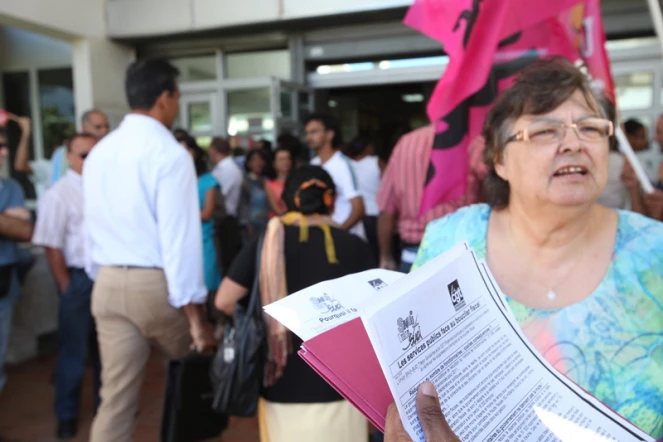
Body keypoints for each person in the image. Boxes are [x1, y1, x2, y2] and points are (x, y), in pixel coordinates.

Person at [412, 58, 663, 438]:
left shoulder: (653, 253)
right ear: (499, 159)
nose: (574, 144)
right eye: (546, 131)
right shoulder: (450, 243)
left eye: (591, 128)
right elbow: (410, 381)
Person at [83, 59, 215, 442]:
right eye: (177, 96)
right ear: (164, 99)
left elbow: (88, 227)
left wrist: (104, 277)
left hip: (107, 283)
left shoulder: (101, 151)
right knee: (197, 379)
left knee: (116, 400)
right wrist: (196, 319)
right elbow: (179, 242)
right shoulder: (170, 154)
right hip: (155, 287)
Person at [215, 166, 375, 442]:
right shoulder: (355, 245)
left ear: (285, 200)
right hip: (346, 388)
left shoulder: (266, 244)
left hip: (281, 382)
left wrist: (267, 324)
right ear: (331, 201)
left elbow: (225, 301)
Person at [31, 133, 101, 440]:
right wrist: (66, 285)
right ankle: (67, 415)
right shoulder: (58, 194)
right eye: (84, 155)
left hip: (105, 277)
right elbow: (51, 244)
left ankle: (105, 407)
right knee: (73, 351)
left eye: (94, 154)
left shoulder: (104, 189)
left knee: (106, 351)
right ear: (69, 158)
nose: (90, 160)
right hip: (77, 278)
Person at [376, 127, 486, 274]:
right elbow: (495, 199)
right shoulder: (475, 143)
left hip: (412, 257)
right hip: (461, 257)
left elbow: (387, 209)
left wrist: (386, 257)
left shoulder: (406, 143)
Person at [0, 125, 33, 396]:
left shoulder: (9, 187)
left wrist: (12, 223)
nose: (4, 152)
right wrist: (7, 218)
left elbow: (23, 230)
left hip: (3, 280)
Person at [305, 113, 366, 240]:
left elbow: (359, 208)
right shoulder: (313, 165)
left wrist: (339, 233)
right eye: (307, 133)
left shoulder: (343, 165)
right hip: (324, 238)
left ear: (330, 135)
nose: (309, 137)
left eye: (314, 132)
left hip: (346, 238)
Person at [177, 134, 222, 293]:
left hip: (202, 239)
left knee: (206, 284)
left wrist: (179, 210)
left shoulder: (206, 180)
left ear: (194, 152)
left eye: (187, 149)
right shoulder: (171, 179)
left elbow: (207, 213)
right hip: (178, 241)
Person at [209, 137, 245, 274]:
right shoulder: (224, 168)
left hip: (226, 221)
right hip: (223, 220)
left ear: (213, 150)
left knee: (226, 263)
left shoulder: (228, 169)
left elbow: (219, 195)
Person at [49, 110, 110, 187]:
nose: (104, 131)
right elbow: (57, 185)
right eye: (98, 127)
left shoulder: (110, 150)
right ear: (84, 128)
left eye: (107, 126)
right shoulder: (64, 152)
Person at [345, 136, 381, 262]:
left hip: (356, 215)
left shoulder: (347, 164)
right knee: (377, 253)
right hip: (376, 214)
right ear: (368, 148)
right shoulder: (376, 162)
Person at [243, 149, 283, 239]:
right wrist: (247, 225)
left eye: (260, 160)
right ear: (248, 163)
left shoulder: (269, 180)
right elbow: (243, 205)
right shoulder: (245, 182)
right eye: (254, 160)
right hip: (253, 225)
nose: (258, 163)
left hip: (269, 223)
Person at [266, 147, 293, 217]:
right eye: (281, 159)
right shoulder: (269, 185)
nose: (285, 162)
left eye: (288, 158)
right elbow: (278, 211)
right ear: (274, 163)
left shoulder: (297, 181)